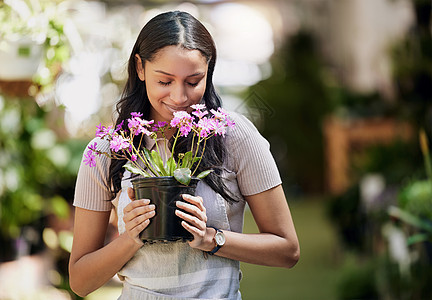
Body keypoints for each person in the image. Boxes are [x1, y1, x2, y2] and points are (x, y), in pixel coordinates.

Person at [69, 10, 299, 300]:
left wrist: (211, 238)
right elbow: (80, 280)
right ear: (140, 68)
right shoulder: (108, 149)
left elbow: (288, 250)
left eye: (193, 82)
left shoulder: (233, 136)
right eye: (165, 81)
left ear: (209, 71)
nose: (179, 97)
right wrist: (131, 238)